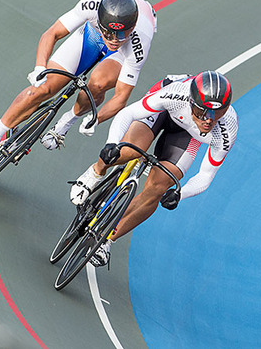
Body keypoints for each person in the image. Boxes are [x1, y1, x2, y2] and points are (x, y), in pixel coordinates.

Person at [0, 0, 157, 166]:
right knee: (43, 89)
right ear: (99, 20)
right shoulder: (90, 6)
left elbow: (120, 97)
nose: (115, 40)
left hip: (122, 55)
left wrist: (95, 119)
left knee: (98, 83)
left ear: (132, 29)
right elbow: (52, 33)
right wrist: (39, 68)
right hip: (92, 35)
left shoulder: (138, 43)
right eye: (109, 33)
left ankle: (66, 122)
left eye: (122, 34)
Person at [69, 71, 238, 267]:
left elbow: (206, 176)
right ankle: (95, 173)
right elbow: (129, 113)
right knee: (131, 149)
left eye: (217, 113)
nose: (209, 120)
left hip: (187, 137)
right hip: (162, 111)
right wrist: (111, 143)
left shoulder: (227, 128)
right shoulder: (176, 93)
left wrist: (179, 194)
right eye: (203, 112)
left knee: (158, 189)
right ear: (192, 103)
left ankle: (106, 240)